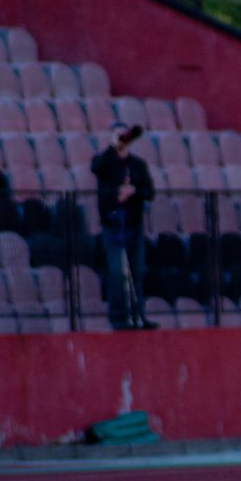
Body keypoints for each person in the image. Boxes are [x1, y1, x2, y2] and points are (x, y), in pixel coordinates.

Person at [91, 121, 157, 330]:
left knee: (137, 271)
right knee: (118, 272)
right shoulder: (105, 161)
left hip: (133, 224)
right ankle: (119, 318)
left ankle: (138, 316)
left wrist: (133, 191)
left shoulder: (138, 164)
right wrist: (113, 147)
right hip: (113, 225)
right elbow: (97, 169)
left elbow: (149, 192)